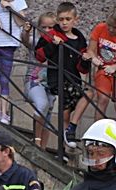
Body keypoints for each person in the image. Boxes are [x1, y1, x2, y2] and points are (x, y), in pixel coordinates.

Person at [35, 2, 92, 148]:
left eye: (68, 19)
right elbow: (39, 55)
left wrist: (85, 60)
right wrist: (53, 44)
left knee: (89, 94)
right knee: (64, 112)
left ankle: (71, 130)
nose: (64, 23)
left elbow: (82, 69)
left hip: (74, 78)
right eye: (61, 19)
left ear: (75, 19)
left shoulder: (79, 38)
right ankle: (65, 148)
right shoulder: (52, 34)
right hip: (58, 78)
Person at [22, 12, 57, 151]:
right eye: (44, 27)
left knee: (47, 117)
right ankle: (36, 140)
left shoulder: (58, 43)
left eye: (51, 27)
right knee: (42, 105)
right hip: (33, 82)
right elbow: (25, 40)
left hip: (50, 84)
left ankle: (42, 148)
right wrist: (26, 31)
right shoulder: (37, 41)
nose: (47, 31)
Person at [0, 0, 28, 125]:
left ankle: (4, 112)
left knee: (5, 79)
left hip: (9, 44)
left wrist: (11, 7)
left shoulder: (19, 2)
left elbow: (21, 22)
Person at [86, 7, 116, 121]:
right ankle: (96, 133)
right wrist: (94, 58)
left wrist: (114, 67)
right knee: (102, 99)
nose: (111, 30)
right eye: (109, 25)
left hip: (113, 69)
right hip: (103, 69)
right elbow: (91, 50)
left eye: (115, 27)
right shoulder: (100, 28)